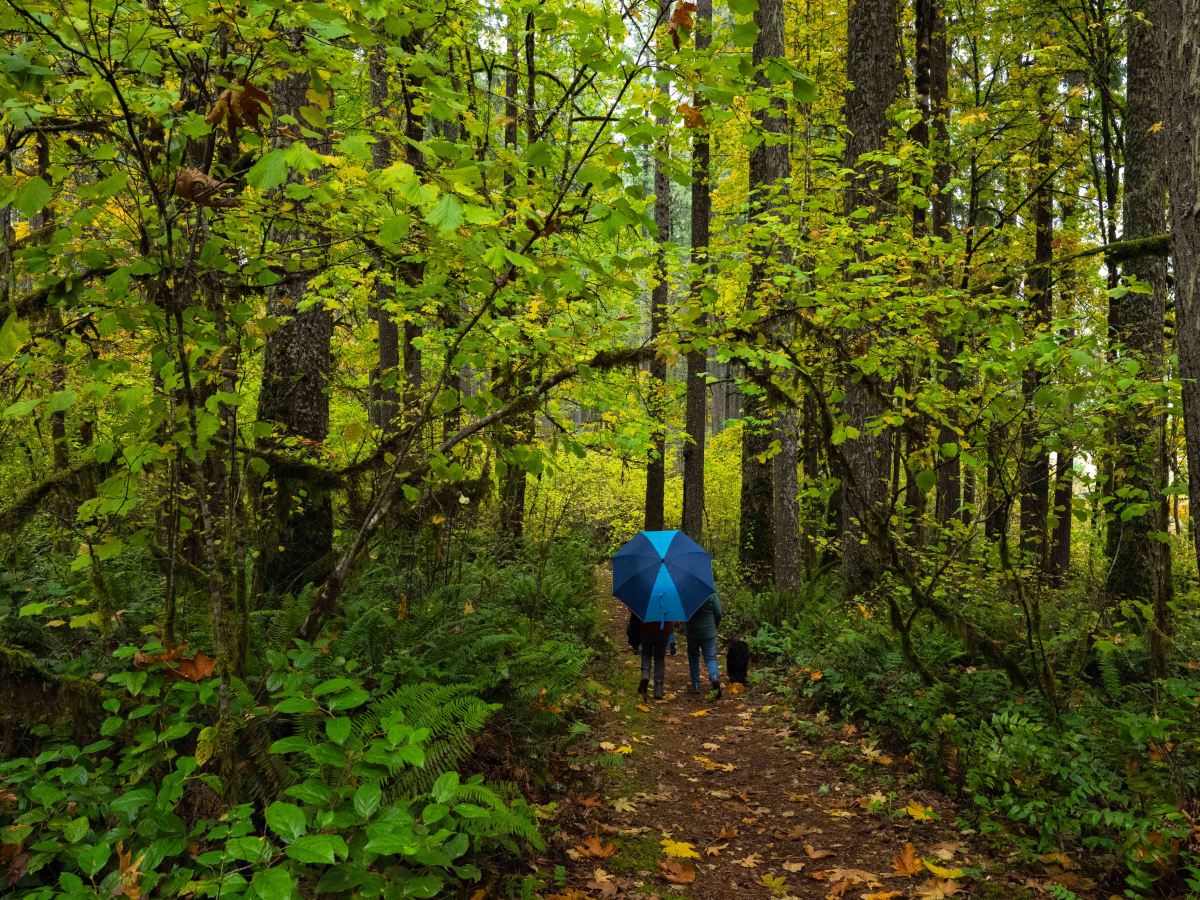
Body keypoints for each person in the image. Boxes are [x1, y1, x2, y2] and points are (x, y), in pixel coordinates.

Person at [686, 593, 723, 698]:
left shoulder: (686, 595)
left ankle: (696, 685)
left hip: (692, 631)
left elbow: (683, 614)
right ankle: (714, 677)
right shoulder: (710, 594)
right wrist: (715, 624)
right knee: (711, 657)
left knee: (693, 656)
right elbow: (719, 613)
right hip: (708, 631)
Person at [637, 618, 674, 700]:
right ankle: (658, 689)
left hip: (646, 627)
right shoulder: (669, 604)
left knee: (646, 654)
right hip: (664, 629)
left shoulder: (645, 604)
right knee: (659, 658)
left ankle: (645, 673)